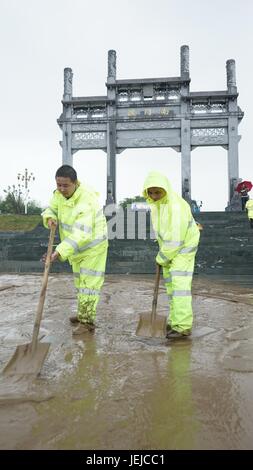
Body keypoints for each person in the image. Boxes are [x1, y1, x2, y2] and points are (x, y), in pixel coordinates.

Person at [42, 165, 108, 335]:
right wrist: (50, 218)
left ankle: (87, 323)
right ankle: (82, 314)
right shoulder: (58, 195)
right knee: (80, 283)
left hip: (92, 248)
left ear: (75, 183)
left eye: (65, 185)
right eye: (58, 185)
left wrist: (59, 252)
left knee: (89, 285)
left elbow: (82, 233)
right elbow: (51, 208)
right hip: (75, 248)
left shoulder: (87, 200)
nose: (61, 189)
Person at [143, 171, 200, 339]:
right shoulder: (157, 205)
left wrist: (161, 257)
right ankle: (175, 321)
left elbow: (176, 238)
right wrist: (163, 252)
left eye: (157, 192)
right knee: (171, 287)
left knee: (179, 287)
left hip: (182, 249)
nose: (153, 196)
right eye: (150, 192)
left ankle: (182, 327)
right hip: (169, 250)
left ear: (165, 190)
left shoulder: (176, 206)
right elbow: (165, 232)